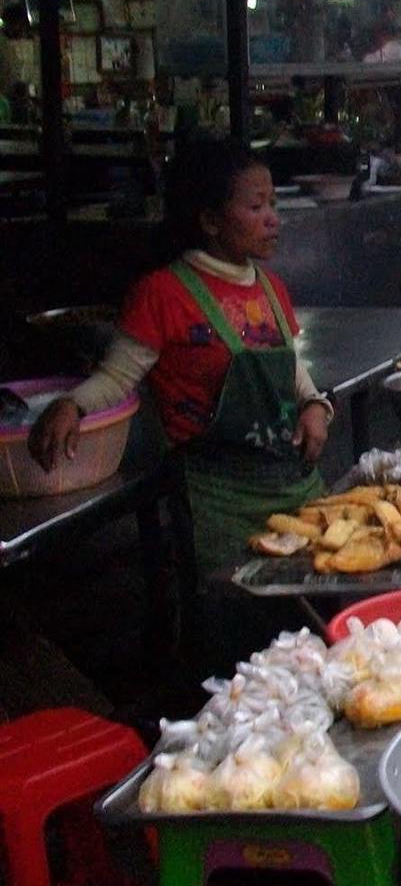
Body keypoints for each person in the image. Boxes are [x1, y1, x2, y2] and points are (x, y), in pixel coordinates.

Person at [27, 137, 334, 654]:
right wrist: (72, 404)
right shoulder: (163, 294)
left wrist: (315, 407)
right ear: (210, 220)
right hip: (216, 497)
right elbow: (118, 376)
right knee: (232, 633)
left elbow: (292, 370)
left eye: (273, 205)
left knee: (311, 620)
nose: (272, 219)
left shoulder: (271, 288)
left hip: (292, 483)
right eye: (255, 207)